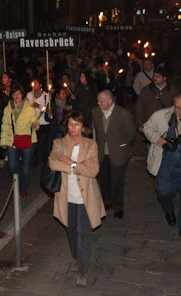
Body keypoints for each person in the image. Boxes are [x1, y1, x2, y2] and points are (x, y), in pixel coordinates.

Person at [48, 110, 105, 288]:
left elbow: (93, 170)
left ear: (83, 126)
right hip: (67, 195)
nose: (73, 128)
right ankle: (76, 257)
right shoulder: (59, 143)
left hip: (85, 196)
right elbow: (52, 163)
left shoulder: (91, 145)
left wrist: (71, 163)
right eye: (71, 124)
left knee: (84, 234)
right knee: (71, 230)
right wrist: (79, 166)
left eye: (77, 125)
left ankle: (82, 270)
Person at [143, 94, 181, 238]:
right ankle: (168, 210)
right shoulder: (162, 116)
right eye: (177, 108)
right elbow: (147, 127)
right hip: (165, 162)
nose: (180, 112)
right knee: (163, 191)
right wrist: (158, 140)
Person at [91, 90, 137, 219]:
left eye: (101, 101)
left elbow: (131, 133)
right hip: (101, 153)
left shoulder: (122, 114)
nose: (98, 103)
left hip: (118, 153)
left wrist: (121, 144)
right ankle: (106, 202)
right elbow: (96, 131)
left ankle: (118, 207)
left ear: (110, 101)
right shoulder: (95, 112)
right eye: (98, 101)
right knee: (103, 180)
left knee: (117, 181)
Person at [0, 84, 40, 198]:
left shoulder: (30, 108)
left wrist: (35, 125)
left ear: (22, 94)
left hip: (28, 140)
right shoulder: (8, 109)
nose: (16, 96)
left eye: (18, 93)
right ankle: (16, 184)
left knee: (26, 166)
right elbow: (5, 125)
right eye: (14, 94)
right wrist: (3, 141)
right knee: (12, 166)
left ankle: (23, 188)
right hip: (12, 141)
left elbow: (36, 124)